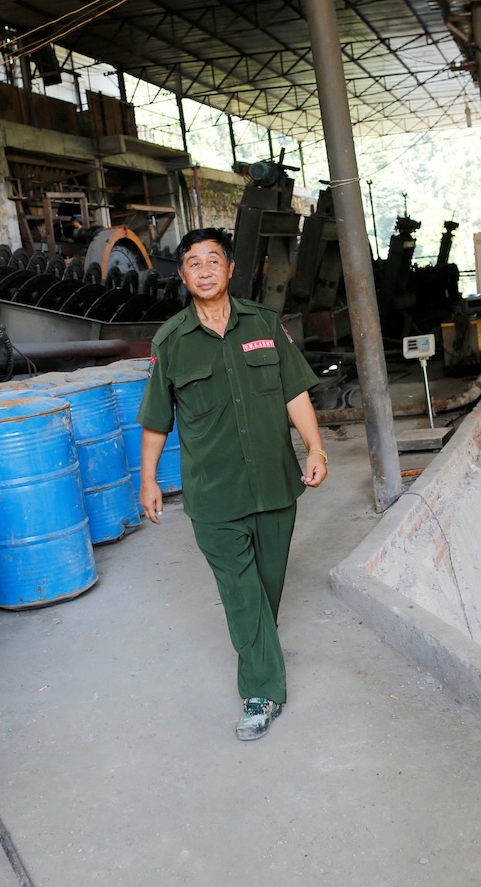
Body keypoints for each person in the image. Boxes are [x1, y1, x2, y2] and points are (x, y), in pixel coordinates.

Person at [136, 227, 327, 740]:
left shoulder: (265, 325)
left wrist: (315, 447)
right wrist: (148, 479)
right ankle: (262, 691)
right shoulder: (171, 341)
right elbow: (157, 419)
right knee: (242, 594)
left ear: (230, 268)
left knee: (266, 588)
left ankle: (259, 651)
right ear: (182, 275)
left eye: (212, 260)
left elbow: (294, 394)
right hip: (214, 493)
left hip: (273, 485)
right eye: (192, 263)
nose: (203, 270)